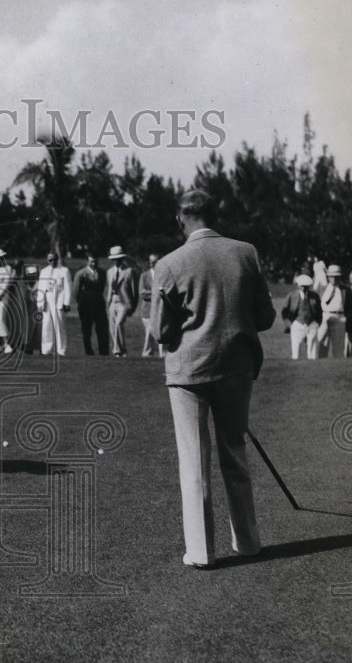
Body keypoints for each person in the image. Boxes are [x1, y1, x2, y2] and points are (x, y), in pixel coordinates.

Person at [151, 188, 276, 568]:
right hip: (237, 367)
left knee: (194, 461)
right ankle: (248, 542)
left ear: (181, 219)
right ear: (214, 215)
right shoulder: (246, 252)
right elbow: (266, 317)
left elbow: (160, 331)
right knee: (234, 454)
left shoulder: (169, 264)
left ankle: (203, 552)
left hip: (189, 370)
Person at [72, 254, 109, 356]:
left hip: (99, 305)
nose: (94, 263)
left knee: (102, 329)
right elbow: (75, 292)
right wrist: (81, 302)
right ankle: (89, 352)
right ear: (87, 261)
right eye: (91, 261)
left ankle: (103, 352)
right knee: (86, 330)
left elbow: (102, 288)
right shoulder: (81, 274)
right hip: (85, 306)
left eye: (95, 261)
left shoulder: (102, 273)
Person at [36, 252, 72, 356]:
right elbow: (40, 288)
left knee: (59, 325)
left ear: (58, 259)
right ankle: (46, 349)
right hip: (46, 300)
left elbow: (68, 288)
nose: (53, 262)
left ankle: (61, 350)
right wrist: (39, 302)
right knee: (46, 325)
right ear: (47, 260)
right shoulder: (44, 271)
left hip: (58, 300)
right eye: (50, 260)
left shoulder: (64, 271)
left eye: (54, 259)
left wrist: (66, 303)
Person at [105, 245, 138, 357]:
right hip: (113, 300)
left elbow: (134, 290)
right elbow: (109, 288)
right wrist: (108, 303)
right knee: (112, 326)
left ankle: (117, 350)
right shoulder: (109, 272)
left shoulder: (129, 271)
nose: (116, 261)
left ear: (122, 259)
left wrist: (133, 306)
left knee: (119, 324)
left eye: (118, 259)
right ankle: (121, 351)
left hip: (124, 301)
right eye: (114, 259)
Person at [281, 274, 322, 359]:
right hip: (297, 323)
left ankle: (313, 368)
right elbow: (284, 312)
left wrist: (317, 323)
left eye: (306, 286)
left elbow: (319, 312)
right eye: (302, 286)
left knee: (313, 352)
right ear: (298, 285)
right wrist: (289, 324)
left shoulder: (314, 296)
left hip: (312, 324)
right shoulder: (291, 296)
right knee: (296, 350)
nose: (304, 288)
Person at [318, 264, 346, 358]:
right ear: (328, 277)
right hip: (324, 317)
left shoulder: (345, 290)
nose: (334, 279)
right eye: (331, 276)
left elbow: (349, 306)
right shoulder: (322, 289)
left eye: (336, 277)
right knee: (320, 344)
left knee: (338, 347)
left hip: (339, 318)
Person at [138, 253, 163, 357]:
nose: (153, 263)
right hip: (147, 309)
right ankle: (147, 354)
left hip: (160, 309)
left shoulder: (163, 275)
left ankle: (163, 354)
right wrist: (157, 293)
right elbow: (142, 292)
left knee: (161, 332)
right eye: (152, 261)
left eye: (156, 261)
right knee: (149, 332)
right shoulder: (144, 276)